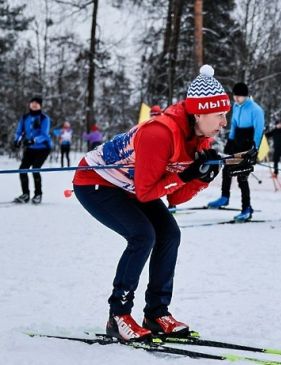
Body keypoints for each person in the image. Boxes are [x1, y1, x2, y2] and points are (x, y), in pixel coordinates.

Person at [72, 65, 232, 341]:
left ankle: (157, 313)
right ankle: (118, 315)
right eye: (220, 115)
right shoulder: (159, 133)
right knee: (142, 235)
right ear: (200, 113)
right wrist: (186, 174)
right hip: (97, 182)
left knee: (169, 234)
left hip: (132, 186)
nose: (224, 123)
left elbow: (174, 197)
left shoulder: (201, 140)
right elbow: (148, 193)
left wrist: (202, 177)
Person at [207, 82, 264, 222]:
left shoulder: (256, 110)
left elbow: (259, 130)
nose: (236, 98)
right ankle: (224, 197)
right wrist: (230, 142)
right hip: (237, 143)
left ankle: (246, 209)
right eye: (235, 96)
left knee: (242, 177)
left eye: (239, 96)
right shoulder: (236, 107)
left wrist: (254, 148)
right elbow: (234, 125)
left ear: (245, 96)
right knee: (227, 170)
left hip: (248, 145)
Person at [12, 96, 52, 205]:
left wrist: (34, 140)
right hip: (30, 149)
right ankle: (25, 194)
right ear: (29, 104)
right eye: (32, 102)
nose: (34, 104)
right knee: (22, 170)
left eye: (37, 103)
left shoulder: (44, 118)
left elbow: (45, 135)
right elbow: (19, 131)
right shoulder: (25, 117)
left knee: (35, 169)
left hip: (43, 148)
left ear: (40, 106)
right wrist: (17, 140)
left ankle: (38, 194)